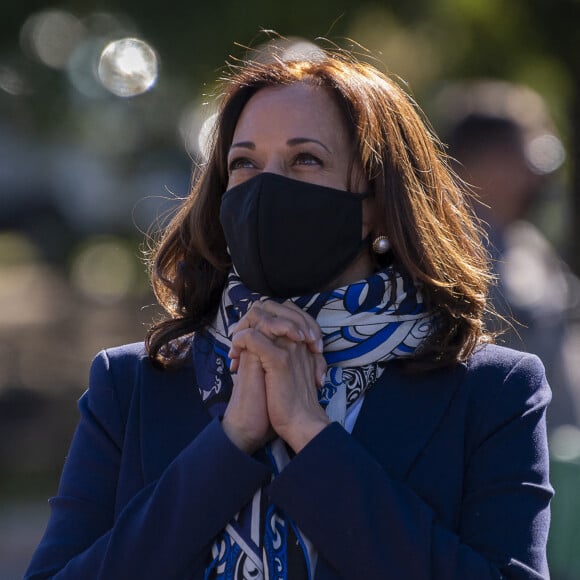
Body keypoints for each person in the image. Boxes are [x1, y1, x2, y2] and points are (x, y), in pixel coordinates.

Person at [25, 42, 552, 579]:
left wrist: (311, 434)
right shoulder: (131, 384)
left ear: (377, 202)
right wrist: (229, 444)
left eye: (305, 159)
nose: (266, 188)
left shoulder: (493, 390)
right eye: (244, 163)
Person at [437, 79, 580, 434]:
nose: (540, 176)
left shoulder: (529, 243)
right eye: (532, 157)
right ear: (490, 164)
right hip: (502, 461)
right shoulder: (444, 255)